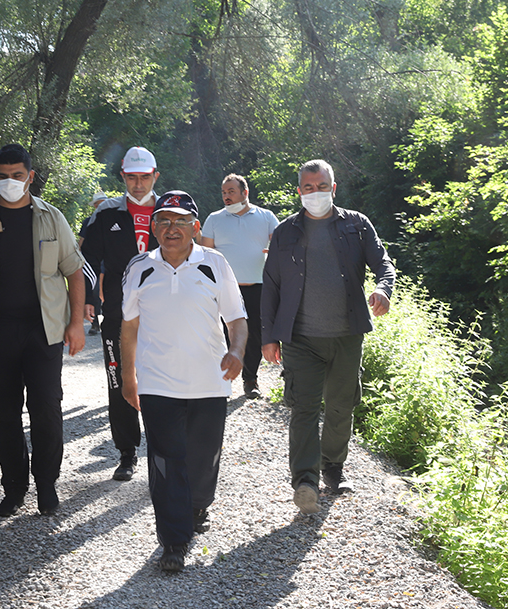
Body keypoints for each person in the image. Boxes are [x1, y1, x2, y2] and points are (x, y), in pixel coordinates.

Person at [0, 143, 86, 518]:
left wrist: (76, 324)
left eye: (17, 175)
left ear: (29, 176)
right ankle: (13, 488)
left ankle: (46, 485)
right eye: (2, 176)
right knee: (5, 412)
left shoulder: (51, 217)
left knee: (46, 409)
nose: (10, 182)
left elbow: (74, 271)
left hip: (43, 333)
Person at [119, 191, 247, 572]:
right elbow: (129, 326)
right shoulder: (140, 266)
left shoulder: (215, 263)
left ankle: (195, 508)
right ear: (153, 227)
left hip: (210, 381)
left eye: (179, 221)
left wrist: (237, 352)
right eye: (163, 220)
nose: (171, 228)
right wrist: (129, 378)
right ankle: (173, 541)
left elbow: (237, 319)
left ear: (195, 227)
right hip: (158, 383)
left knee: (202, 461)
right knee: (165, 461)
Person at [261, 159, 396, 515]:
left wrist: (384, 289)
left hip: (347, 335)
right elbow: (271, 286)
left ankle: (333, 467)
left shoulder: (356, 226)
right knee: (303, 408)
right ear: (299, 191)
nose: (315, 193)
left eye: (322, 187)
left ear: (333, 188)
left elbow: (383, 264)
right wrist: (269, 336)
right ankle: (305, 480)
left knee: (341, 405)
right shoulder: (286, 232)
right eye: (308, 188)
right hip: (300, 338)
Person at [80, 146, 159, 481]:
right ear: (123, 177)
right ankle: (127, 453)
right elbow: (84, 259)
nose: (138, 184)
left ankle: (162, 451)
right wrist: (88, 300)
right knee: (119, 380)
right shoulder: (107, 214)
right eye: (131, 177)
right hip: (118, 313)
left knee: (162, 380)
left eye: (144, 177)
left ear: (155, 176)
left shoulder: (172, 208)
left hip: (164, 312)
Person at [200, 174, 279, 398]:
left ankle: (250, 380)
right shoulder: (214, 219)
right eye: (224, 192)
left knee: (254, 334)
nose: (226, 196)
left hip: (257, 287)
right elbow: (205, 255)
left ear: (245, 193)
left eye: (231, 191)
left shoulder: (266, 216)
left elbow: (280, 245)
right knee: (222, 334)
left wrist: (273, 253)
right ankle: (221, 381)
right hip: (223, 289)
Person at [79, 190, 108, 336]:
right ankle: (95, 323)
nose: (100, 208)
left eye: (102, 204)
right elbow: (82, 241)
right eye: (97, 205)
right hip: (93, 261)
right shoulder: (88, 222)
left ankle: (112, 321)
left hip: (110, 261)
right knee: (95, 291)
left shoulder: (115, 220)